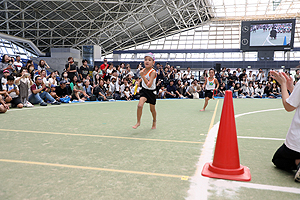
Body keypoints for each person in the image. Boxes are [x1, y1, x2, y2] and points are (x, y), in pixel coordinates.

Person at [270, 71, 300, 182]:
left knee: (278, 159)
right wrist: (291, 87)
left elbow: (289, 106)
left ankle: (299, 163)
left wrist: (283, 84)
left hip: (297, 142)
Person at [132, 53, 157, 129]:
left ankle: (154, 121)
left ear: (153, 62)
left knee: (152, 110)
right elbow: (142, 78)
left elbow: (149, 84)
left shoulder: (153, 72)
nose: (147, 61)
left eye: (149, 60)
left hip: (151, 92)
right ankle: (138, 122)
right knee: (140, 105)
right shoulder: (143, 70)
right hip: (144, 91)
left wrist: (142, 75)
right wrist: (138, 82)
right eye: (145, 60)